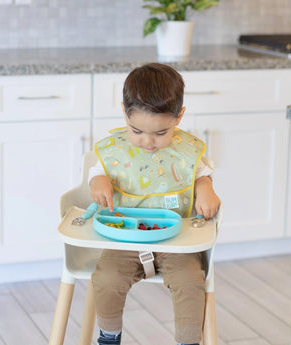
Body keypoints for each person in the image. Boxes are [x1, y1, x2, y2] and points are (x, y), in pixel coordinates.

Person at [89, 63, 220, 345]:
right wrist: (97, 182)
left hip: (175, 240)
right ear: (124, 111)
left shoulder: (186, 151)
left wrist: (205, 189)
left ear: (179, 117)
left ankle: (188, 341)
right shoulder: (114, 150)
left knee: (191, 283)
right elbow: (98, 171)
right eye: (137, 131)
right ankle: (109, 336)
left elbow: (201, 175)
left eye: (160, 134)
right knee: (106, 279)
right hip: (124, 238)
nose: (148, 142)